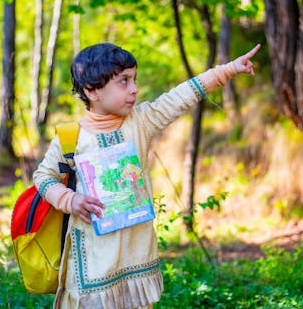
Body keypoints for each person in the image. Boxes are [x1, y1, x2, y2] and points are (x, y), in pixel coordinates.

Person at [33, 42, 261, 309]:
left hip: (136, 260)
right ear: (92, 90)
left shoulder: (141, 121)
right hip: (93, 266)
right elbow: (43, 177)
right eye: (124, 81)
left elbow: (181, 96)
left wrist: (229, 69)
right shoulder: (70, 137)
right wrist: (70, 200)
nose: (134, 89)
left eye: (134, 80)